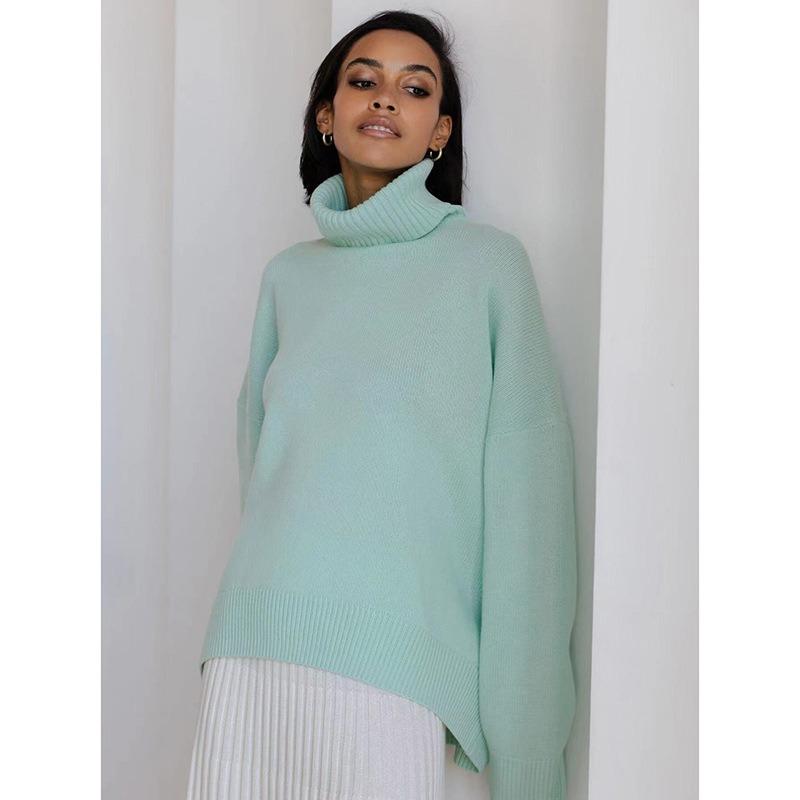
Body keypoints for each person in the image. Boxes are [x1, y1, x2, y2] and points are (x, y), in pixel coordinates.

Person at [186, 10, 578, 800]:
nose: (386, 98)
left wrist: (528, 759)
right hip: (251, 649)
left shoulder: (488, 268)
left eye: (416, 88)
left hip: (397, 670)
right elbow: (261, 468)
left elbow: (531, 523)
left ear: (441, 132)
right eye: (363, 80)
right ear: (326, 116)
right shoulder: (288, 277)